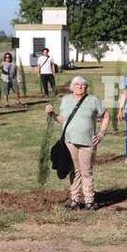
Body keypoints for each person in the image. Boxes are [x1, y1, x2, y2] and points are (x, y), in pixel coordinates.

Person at [45, 76, 109, 211]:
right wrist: (52, 114)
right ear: (72, 87)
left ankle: (89, 200)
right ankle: (75, 200)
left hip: (87, 142)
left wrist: (101, 133)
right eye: (78, 84)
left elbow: (106, 115)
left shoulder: (93, 100)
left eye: (84, 84)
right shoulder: (66, 100)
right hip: (69, 141)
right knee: (74, 170)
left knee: (86, 171)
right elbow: (64, 120)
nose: (81, 86)